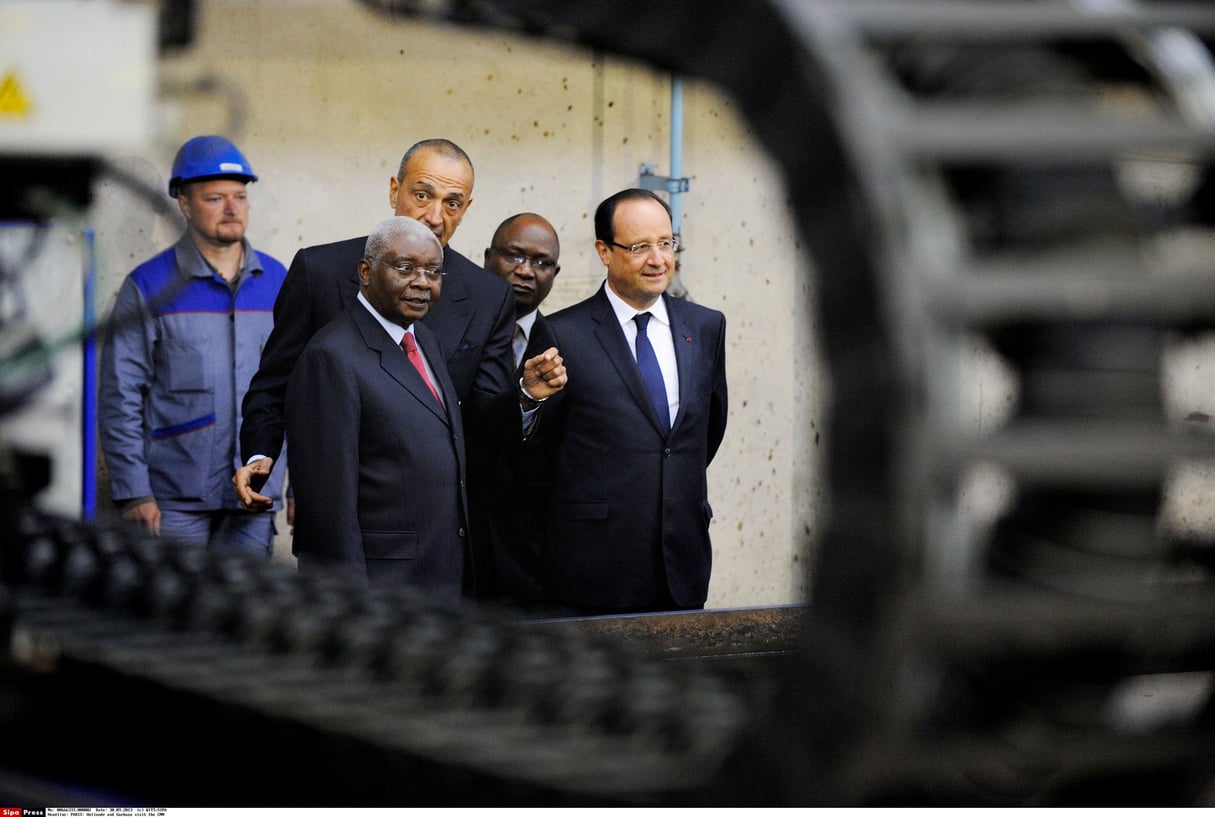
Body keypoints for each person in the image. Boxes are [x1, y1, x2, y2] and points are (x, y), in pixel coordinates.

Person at [234, 138, 545, 592]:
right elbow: (276, 382)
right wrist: (261, 454)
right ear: (394, 189)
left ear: (467, 208)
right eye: (422, 195)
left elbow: (480, 418)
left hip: (439, 540)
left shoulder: (486, 295)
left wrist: (526, 395)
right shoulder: (320, 271)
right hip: (346, 529)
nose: (435, 216)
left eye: (452, 203)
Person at [536, 189, 728, 613]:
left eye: (666, 243)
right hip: (592, 566)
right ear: (604, 251)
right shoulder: (561, 334)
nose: (658, 259)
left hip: (682, 559)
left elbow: (704, 433)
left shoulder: (706, 326)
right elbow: (537, 451)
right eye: (640, 247)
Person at [99, 134, 288, 554]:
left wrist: (300, 488)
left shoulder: (279, 284)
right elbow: (121, 396)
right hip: (171, 501)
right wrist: (133, 491)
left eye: (239, 196)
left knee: (248, 616)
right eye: (215, 198)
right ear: (183, 204)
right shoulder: (149, 287)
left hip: (254, 496)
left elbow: (300, 394)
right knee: (172, 615)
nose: (232, 208)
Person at [284, 217, 467, 591]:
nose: (422, 282)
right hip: (381, 588)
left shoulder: (425, 340)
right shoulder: (331, 357)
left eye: (433, 271)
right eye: (406, 268)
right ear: (365, 272)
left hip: (439, 577)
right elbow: (328, 509)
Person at [479, 213, 562, 605]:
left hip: (535, 551)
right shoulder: (448, 333)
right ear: (486, 258)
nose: (526, 271)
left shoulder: (567, 345)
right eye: (513, 256)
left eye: (542, 262)